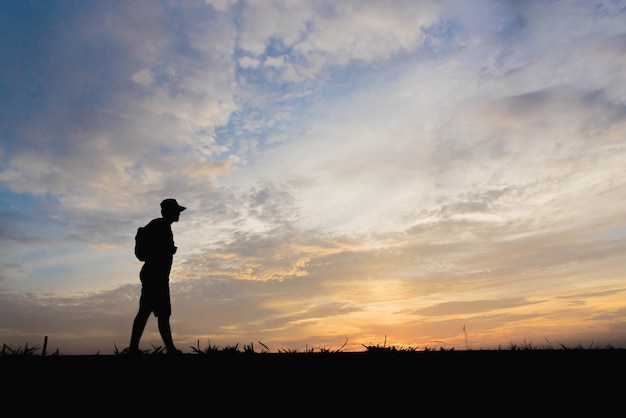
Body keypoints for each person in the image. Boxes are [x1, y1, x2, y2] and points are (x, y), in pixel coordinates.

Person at [126, 198, 186, 355]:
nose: (178, 214)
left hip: (157, 276)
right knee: (152, 312)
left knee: (155, 313)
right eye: (176, 211)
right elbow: (154, 252)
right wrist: (167, 251)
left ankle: (166, 348)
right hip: (155, 276)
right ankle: (136, 349)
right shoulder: (159, 226)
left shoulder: (162, 226)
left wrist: (167, 251)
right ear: (167, 212)